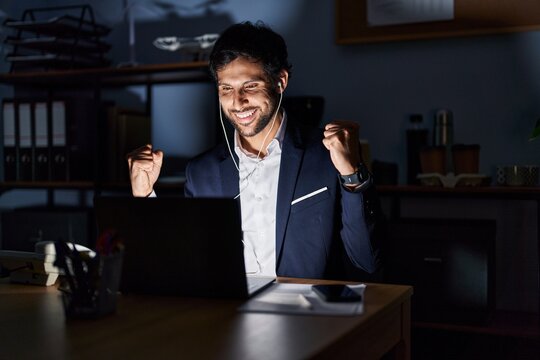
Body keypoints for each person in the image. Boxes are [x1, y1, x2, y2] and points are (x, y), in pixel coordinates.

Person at [127, 21, 380, 280]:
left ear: (280, 82)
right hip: (228, 316)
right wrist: (144, 196)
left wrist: (352, 175)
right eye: (226, 88)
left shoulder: (328, 155)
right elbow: (179, 267)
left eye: (250, 86)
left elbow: (367, 262)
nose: (238, 102)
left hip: (308, 316)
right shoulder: (201, 173)